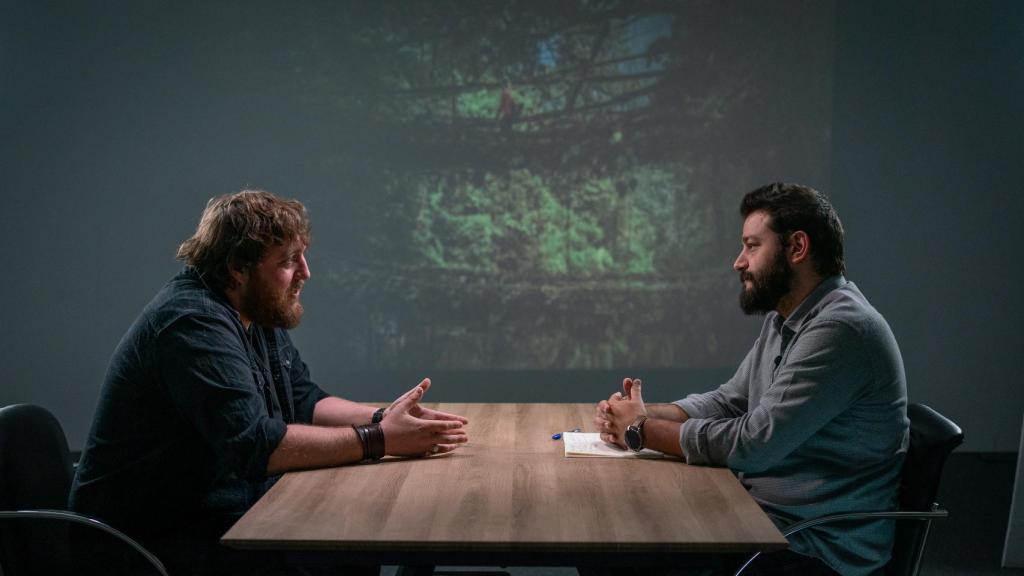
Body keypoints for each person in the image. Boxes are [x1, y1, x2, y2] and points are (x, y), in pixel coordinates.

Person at [69, 189, 469, 575]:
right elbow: (256, 445)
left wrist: (388, 417)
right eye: (289, 261)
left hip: (212, 516)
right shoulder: (192, 323)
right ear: (238, 267)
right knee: (348, 545)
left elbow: (304, 399)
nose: (306, 274)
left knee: (352, 545)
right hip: (149, 543)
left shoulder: (252, 309)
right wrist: (379, 439)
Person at [595, 183, 908, 576]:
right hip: (765, 518)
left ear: (797, 248)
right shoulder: (787, 318)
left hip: (812, 549)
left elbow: (753, 444)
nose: (738, 262)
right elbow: (731, 401)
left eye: (752, 246)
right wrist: (641, 413)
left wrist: (641, 430)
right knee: (615, 540)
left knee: (619, 551)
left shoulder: (842, 330)